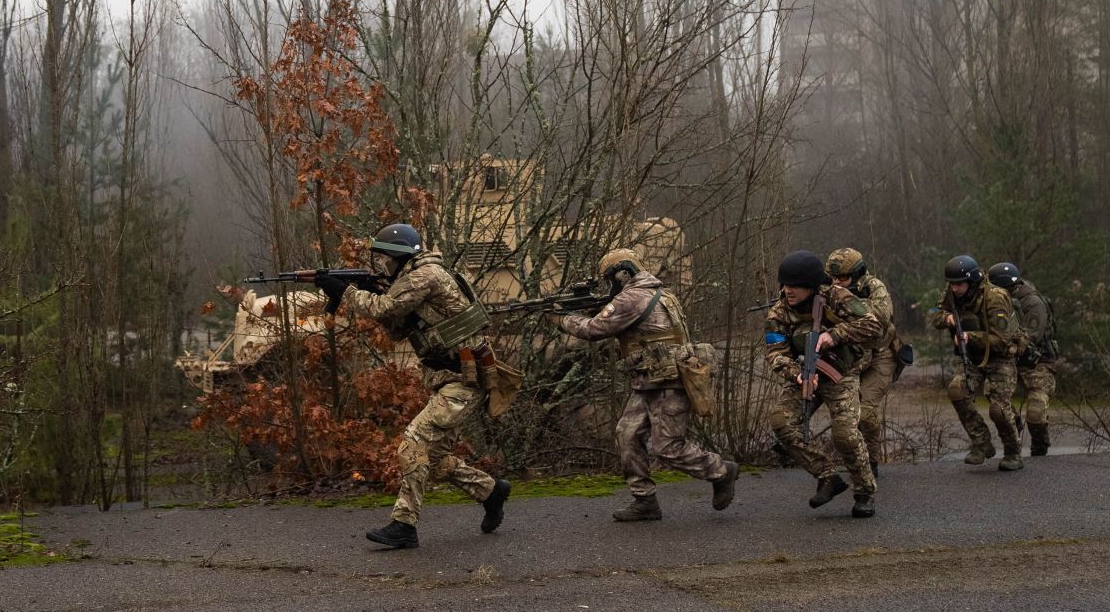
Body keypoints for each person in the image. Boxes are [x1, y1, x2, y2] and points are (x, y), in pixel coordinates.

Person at [316, 223, 510, 549]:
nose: (383, 268)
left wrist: (346, 292)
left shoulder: (426, 275)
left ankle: (404, 525)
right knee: (429, 460)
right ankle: (490, 491)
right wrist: (373, 291)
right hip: (452, 379)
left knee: (414, 442)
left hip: (464, 381)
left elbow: (385, 307)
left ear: (400, 257)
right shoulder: (417, 277)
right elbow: (396, 327)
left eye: (386, 261)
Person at [553, 248, 739, 522]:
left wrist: (562, 318)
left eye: (610, 278)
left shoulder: (633, 297)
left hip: (668, 381)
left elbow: (594, 330)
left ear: (623, 273)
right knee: (627, 434)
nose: (609, 285)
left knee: (668, 447)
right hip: (650, 379)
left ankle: (720, 471)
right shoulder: (659, 292)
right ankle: (644, 500)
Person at [766, 250, 884, 518]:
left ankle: (865, 492)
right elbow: (775, 351)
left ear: (810, 285)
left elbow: (873, 326)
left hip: (842, 373)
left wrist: (836, 334)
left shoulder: (836, 297)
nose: (788, 290)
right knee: (781, 422)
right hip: (808, 373)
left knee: (845, 435)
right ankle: (827, 475)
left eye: (794, 285)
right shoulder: (780, 310)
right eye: (785, 285)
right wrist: (796, 373)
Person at [929, 255, 1025, 471]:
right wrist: (947, 319)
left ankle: (1012, 451)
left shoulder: (995, 298)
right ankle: (982, 443)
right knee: (957, 390)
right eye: (952, 284)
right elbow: (935, 314)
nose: (955, 289)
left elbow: (1002, 340)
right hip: (972, 356)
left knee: (998, 409)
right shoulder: (953, 293)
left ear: (972, 281)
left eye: (959, 284)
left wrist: (970, 337)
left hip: (1001, 357)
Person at [825, 248, 898, 478]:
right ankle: (858, 461)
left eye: (843, 279)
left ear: (857, 274)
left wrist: (846, 299)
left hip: (880, 355)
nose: (837, 283)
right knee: (847, 414)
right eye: (833, 278)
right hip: (852, 357)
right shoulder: (829, 291)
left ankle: (872, 462)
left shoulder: (875, 287)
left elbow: (880, 319)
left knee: (866, 413)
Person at [988, 262, 1058, 456]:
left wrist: (1004, 345)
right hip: (1011, 359)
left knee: (1035, 414)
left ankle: (1039, 446)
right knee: (994, 397)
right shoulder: (997, 301)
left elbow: (1030, 337)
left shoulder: (1033, 303)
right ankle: (1013, 423)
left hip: (1038, 362)